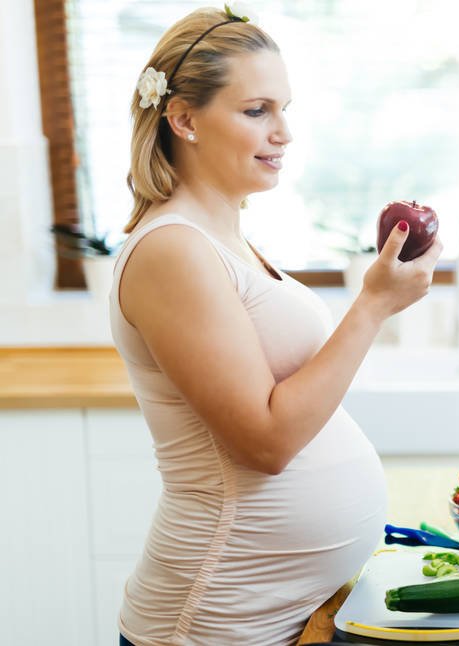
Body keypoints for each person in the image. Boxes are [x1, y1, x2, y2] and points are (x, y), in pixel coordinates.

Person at [110, 6, 442, 645]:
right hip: (215, 623)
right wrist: (373, 306)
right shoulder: (171, 251)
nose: (284, 132)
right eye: (256, 110)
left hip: (278, 616)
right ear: (184, 119)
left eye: (284, 109)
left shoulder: (222, 238)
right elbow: (264, 444)